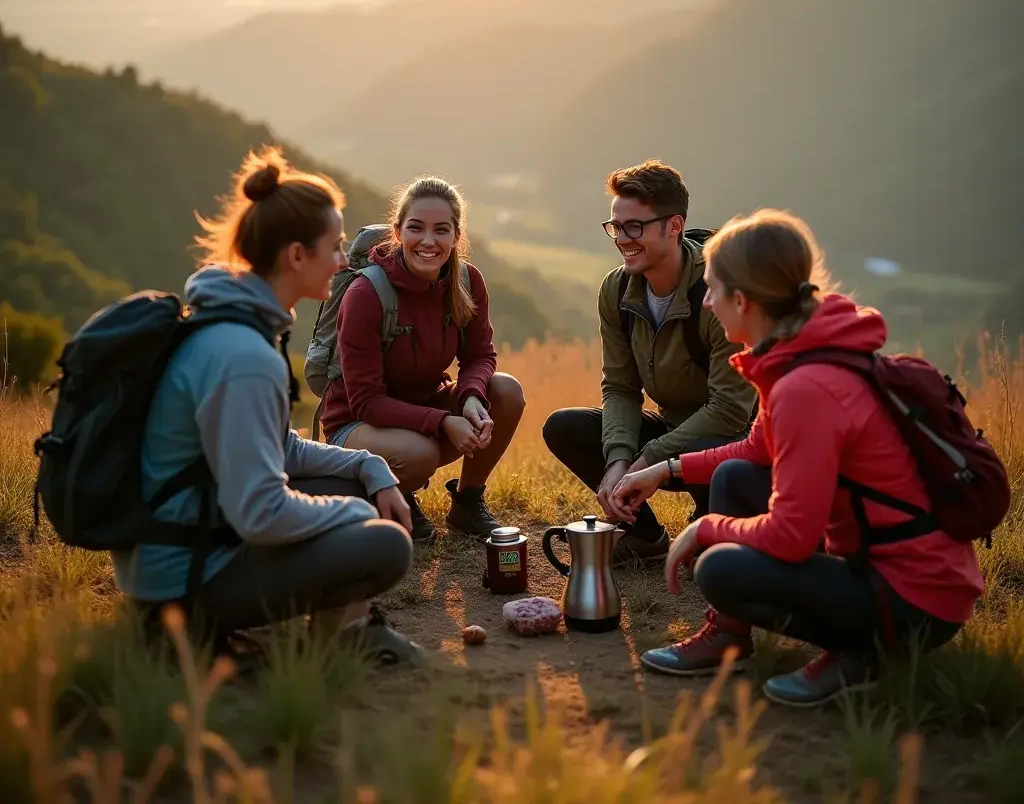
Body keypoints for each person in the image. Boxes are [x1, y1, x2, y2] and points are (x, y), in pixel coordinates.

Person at [609, 208, 985, 706]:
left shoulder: (806, 386)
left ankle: (864, 652)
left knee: (719, 569)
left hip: (914, 598)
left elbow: (791, 536)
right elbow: (757, 449)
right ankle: (730, 638)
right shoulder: (799, 352)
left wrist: (704, 529)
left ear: (742, 300)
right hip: (893, 569)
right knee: (737, 476)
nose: (706, 302)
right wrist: (666, 469)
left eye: (713, 290)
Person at [112, 147, 423, 665]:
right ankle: (196, 635)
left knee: (361, 487)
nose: (345, 260)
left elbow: (276, 450)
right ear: (296, 256)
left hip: (189, 539)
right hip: (183, 577)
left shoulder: (234, 322)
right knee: (385, 544)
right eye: (336, 246)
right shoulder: (243, 356)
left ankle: (344, 629)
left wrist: (371, 466)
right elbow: (260, 513)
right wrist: (352, 518)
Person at [542, 160, 756, 564]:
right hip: (671, 432)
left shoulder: (718, 290)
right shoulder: (617, 289)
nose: (623, 239)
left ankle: (714, 522)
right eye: (616, 227)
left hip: (728, 445)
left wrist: (648, 460)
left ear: (674, 225)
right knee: (565, 426)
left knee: (712, 558)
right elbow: (621, 387)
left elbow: (730, 410)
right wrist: (619, 458)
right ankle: (644, 536)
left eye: (635, 227)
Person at [318, 176, 526, 544]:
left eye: (441, 230)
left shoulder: (466, 281)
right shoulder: (366, 293)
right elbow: (366, 401)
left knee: (505, 392)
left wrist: (471, 396)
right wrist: (444, 421)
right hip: (355, 423)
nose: (428, 241)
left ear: (456, 236)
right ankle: (392, 496)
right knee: (420, 454)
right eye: (416, 228)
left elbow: (479, 355)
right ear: (398, 233)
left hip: (422, 411)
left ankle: (467, 502)